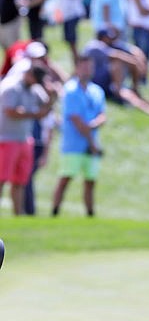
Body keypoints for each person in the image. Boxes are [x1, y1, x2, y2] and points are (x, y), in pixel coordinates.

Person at [51, 54, 106, 217]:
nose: (87, 70)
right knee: (65, 178)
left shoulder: (97, 91)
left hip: (92, 144)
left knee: (90, 181)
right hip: (74, 144)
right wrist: (92, 142)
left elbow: (102, 115)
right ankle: (55, 212)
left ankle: (90, 213)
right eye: (83, 66)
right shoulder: (70, 90)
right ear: (77, 68)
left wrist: (93, 127)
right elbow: (76, 120)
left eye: (89, 66)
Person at [0, 63, 55, 215]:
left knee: (20, 181)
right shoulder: (11, 87)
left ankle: (18, 214)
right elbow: (11, 111)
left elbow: (44, 109)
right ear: (29, 75)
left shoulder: (35, 89)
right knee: (1, 179)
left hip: (25, 139)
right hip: (6, 139)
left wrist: (52, 96)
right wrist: (33, 114)